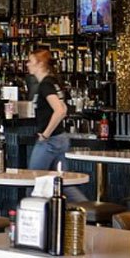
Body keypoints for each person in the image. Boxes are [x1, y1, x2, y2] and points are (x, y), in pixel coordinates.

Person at [25, 48, 86, 202]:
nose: (27, 64)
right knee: (63, 183)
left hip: (50, 140)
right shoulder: (53, 82)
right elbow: (64, 108)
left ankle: (32, 218)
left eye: (30, 61)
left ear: (40, 64)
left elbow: (59, 111)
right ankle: (86, 210)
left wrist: (45, 134)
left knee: (33, 181)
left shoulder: (45, 85)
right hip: (61, 138)